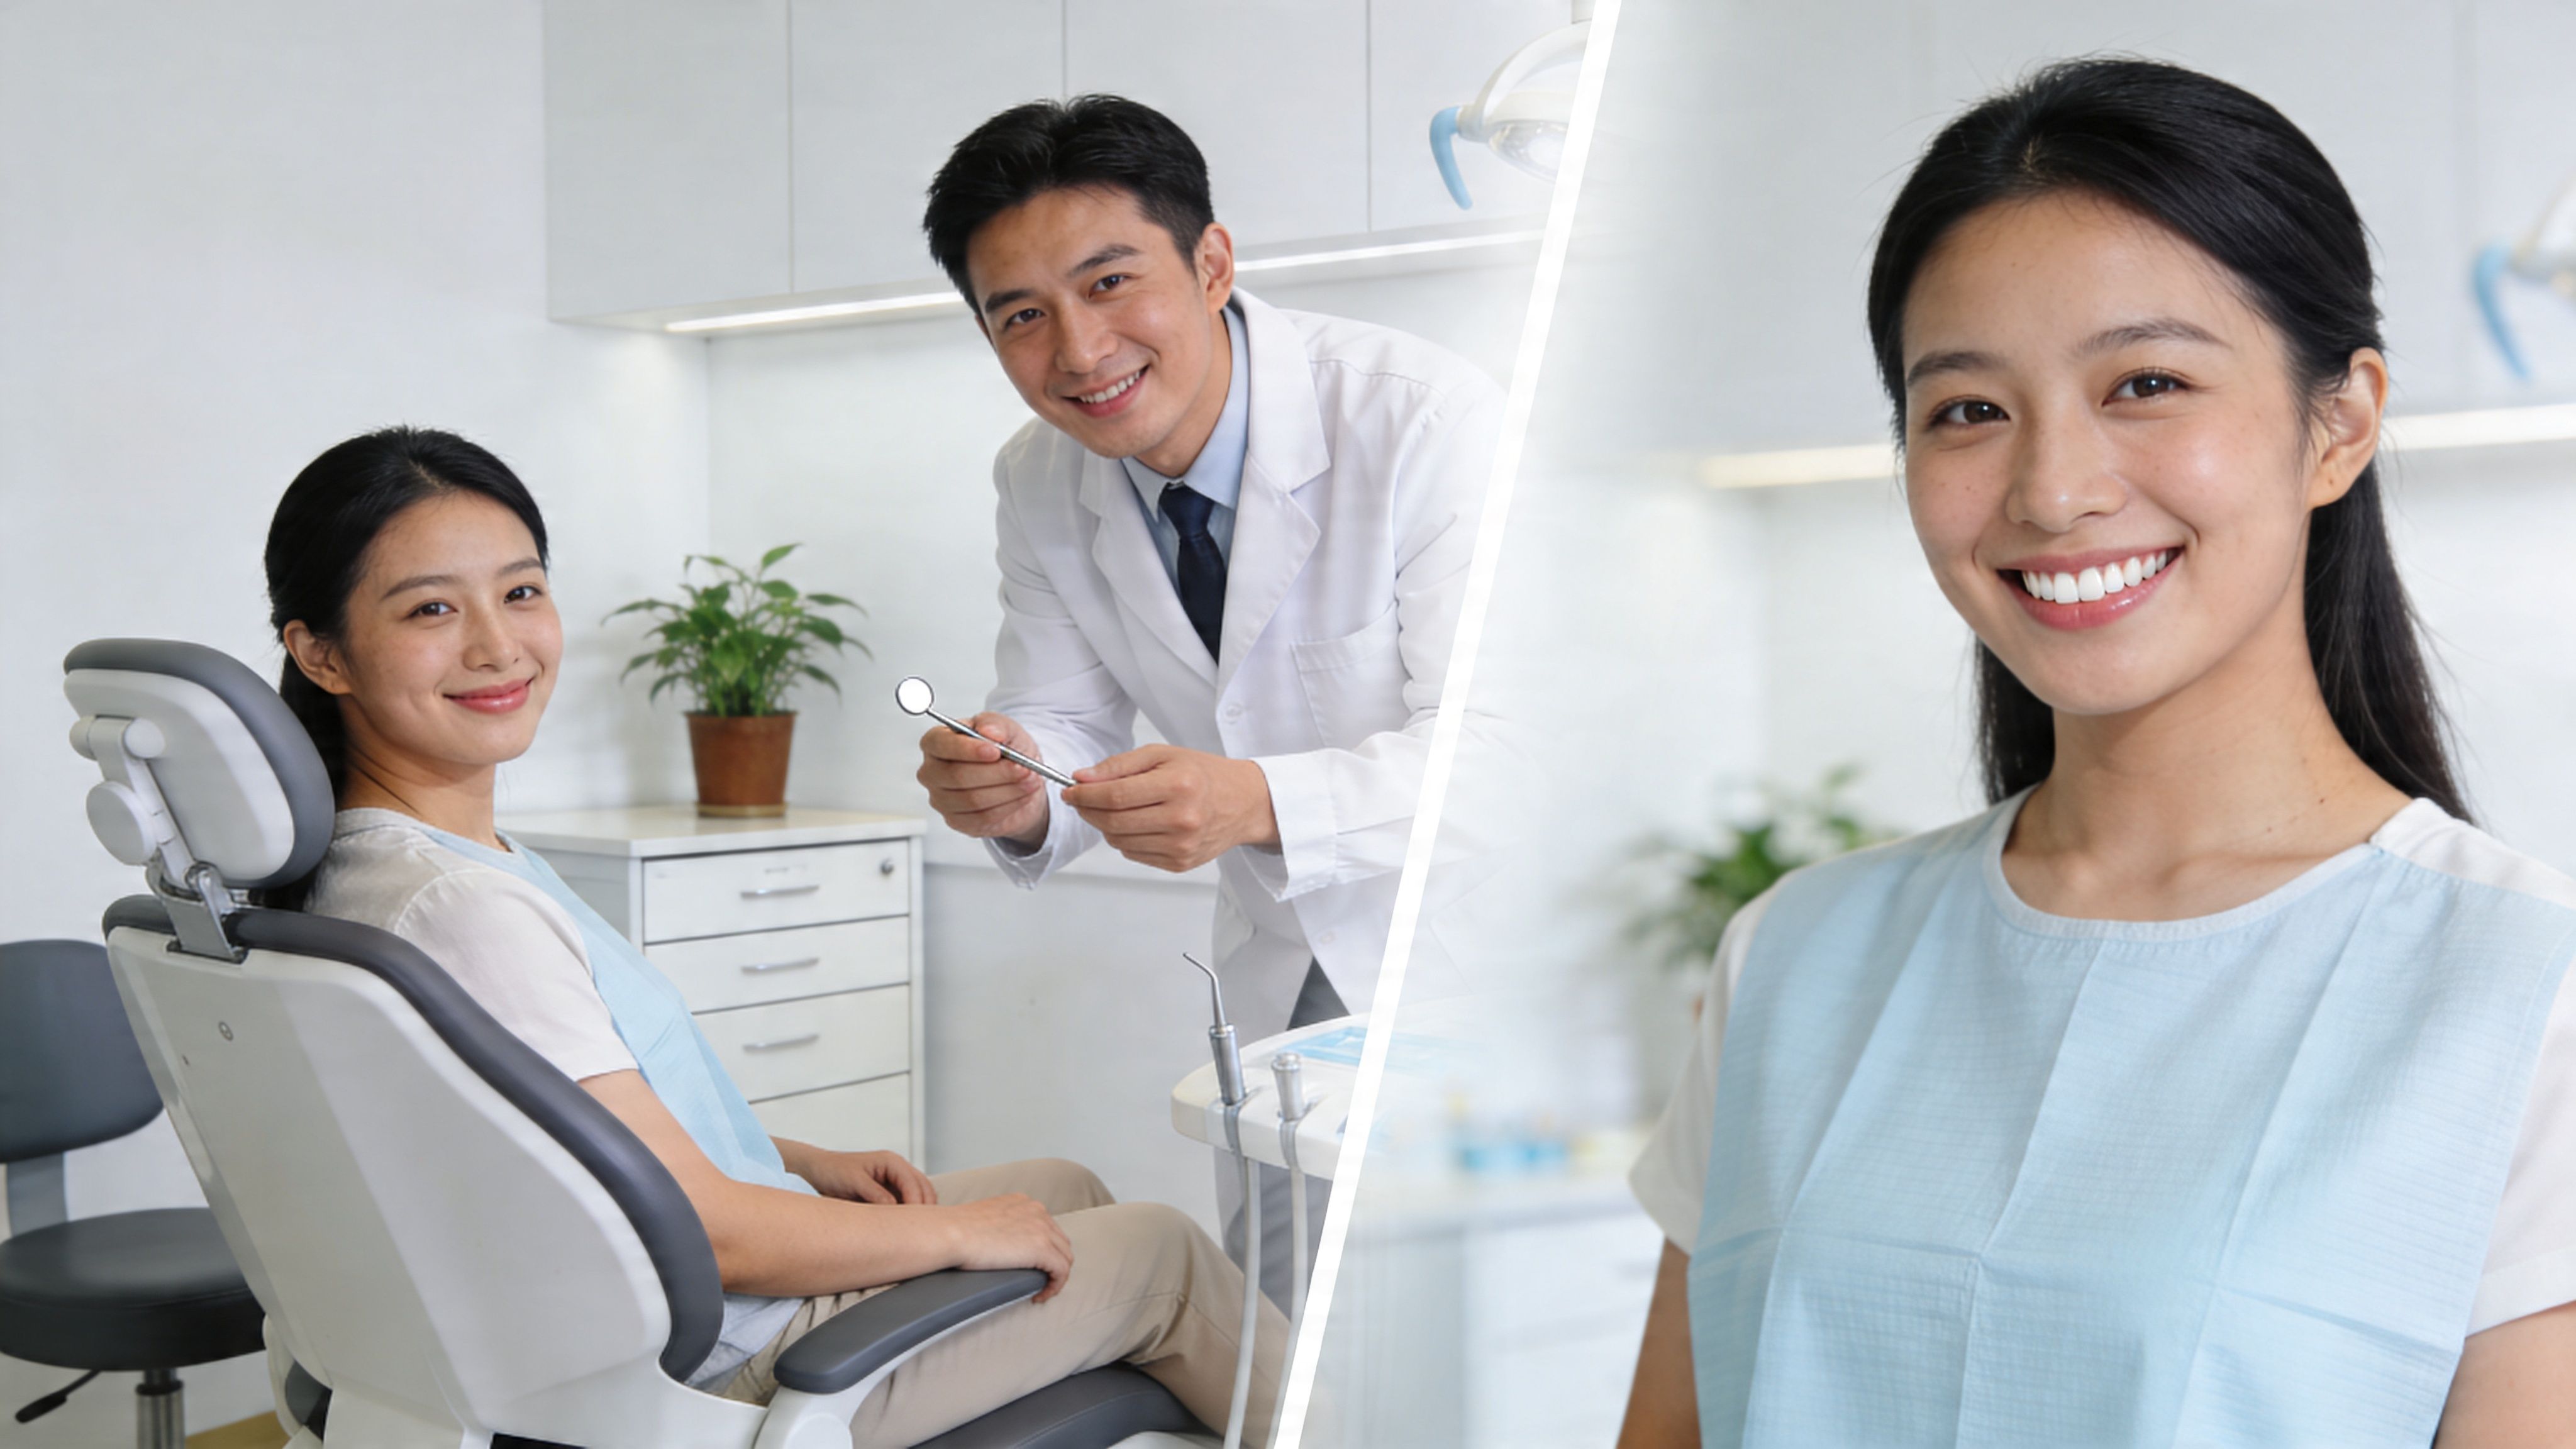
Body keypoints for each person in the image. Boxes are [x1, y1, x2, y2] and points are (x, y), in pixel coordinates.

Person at [1617, 59, 2576, 1448]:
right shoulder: (1792, 959)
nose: (2050, 488)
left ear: (2339, 422)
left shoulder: (2521, 993)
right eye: (1964, 409)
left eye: (2143, 381)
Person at [261, 426, 1290, 1447]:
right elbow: (710, 1233)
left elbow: (564, 1133)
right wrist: (946, 1232)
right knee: (1159, 1254)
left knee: (1058, 1190)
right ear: (320, 652)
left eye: (521, 592)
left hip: (649, 1295)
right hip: (731, 1352)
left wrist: (794, 1159)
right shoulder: (458, 908)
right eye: (433, 608)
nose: (497, 645)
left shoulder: (390, 869)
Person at [910, 95, 1505, 1300]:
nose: (1078, 351)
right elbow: (1064, 722)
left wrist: (1251, 800)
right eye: (1021, 315)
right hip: (1281, 980)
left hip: (1465, 956)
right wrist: (1016, 783)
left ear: (1212, 261)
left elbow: (1506, 746)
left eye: (1111, 282)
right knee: (1283, 1333)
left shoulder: (1421, 416)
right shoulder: (1039, 477)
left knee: (1454, 1342)